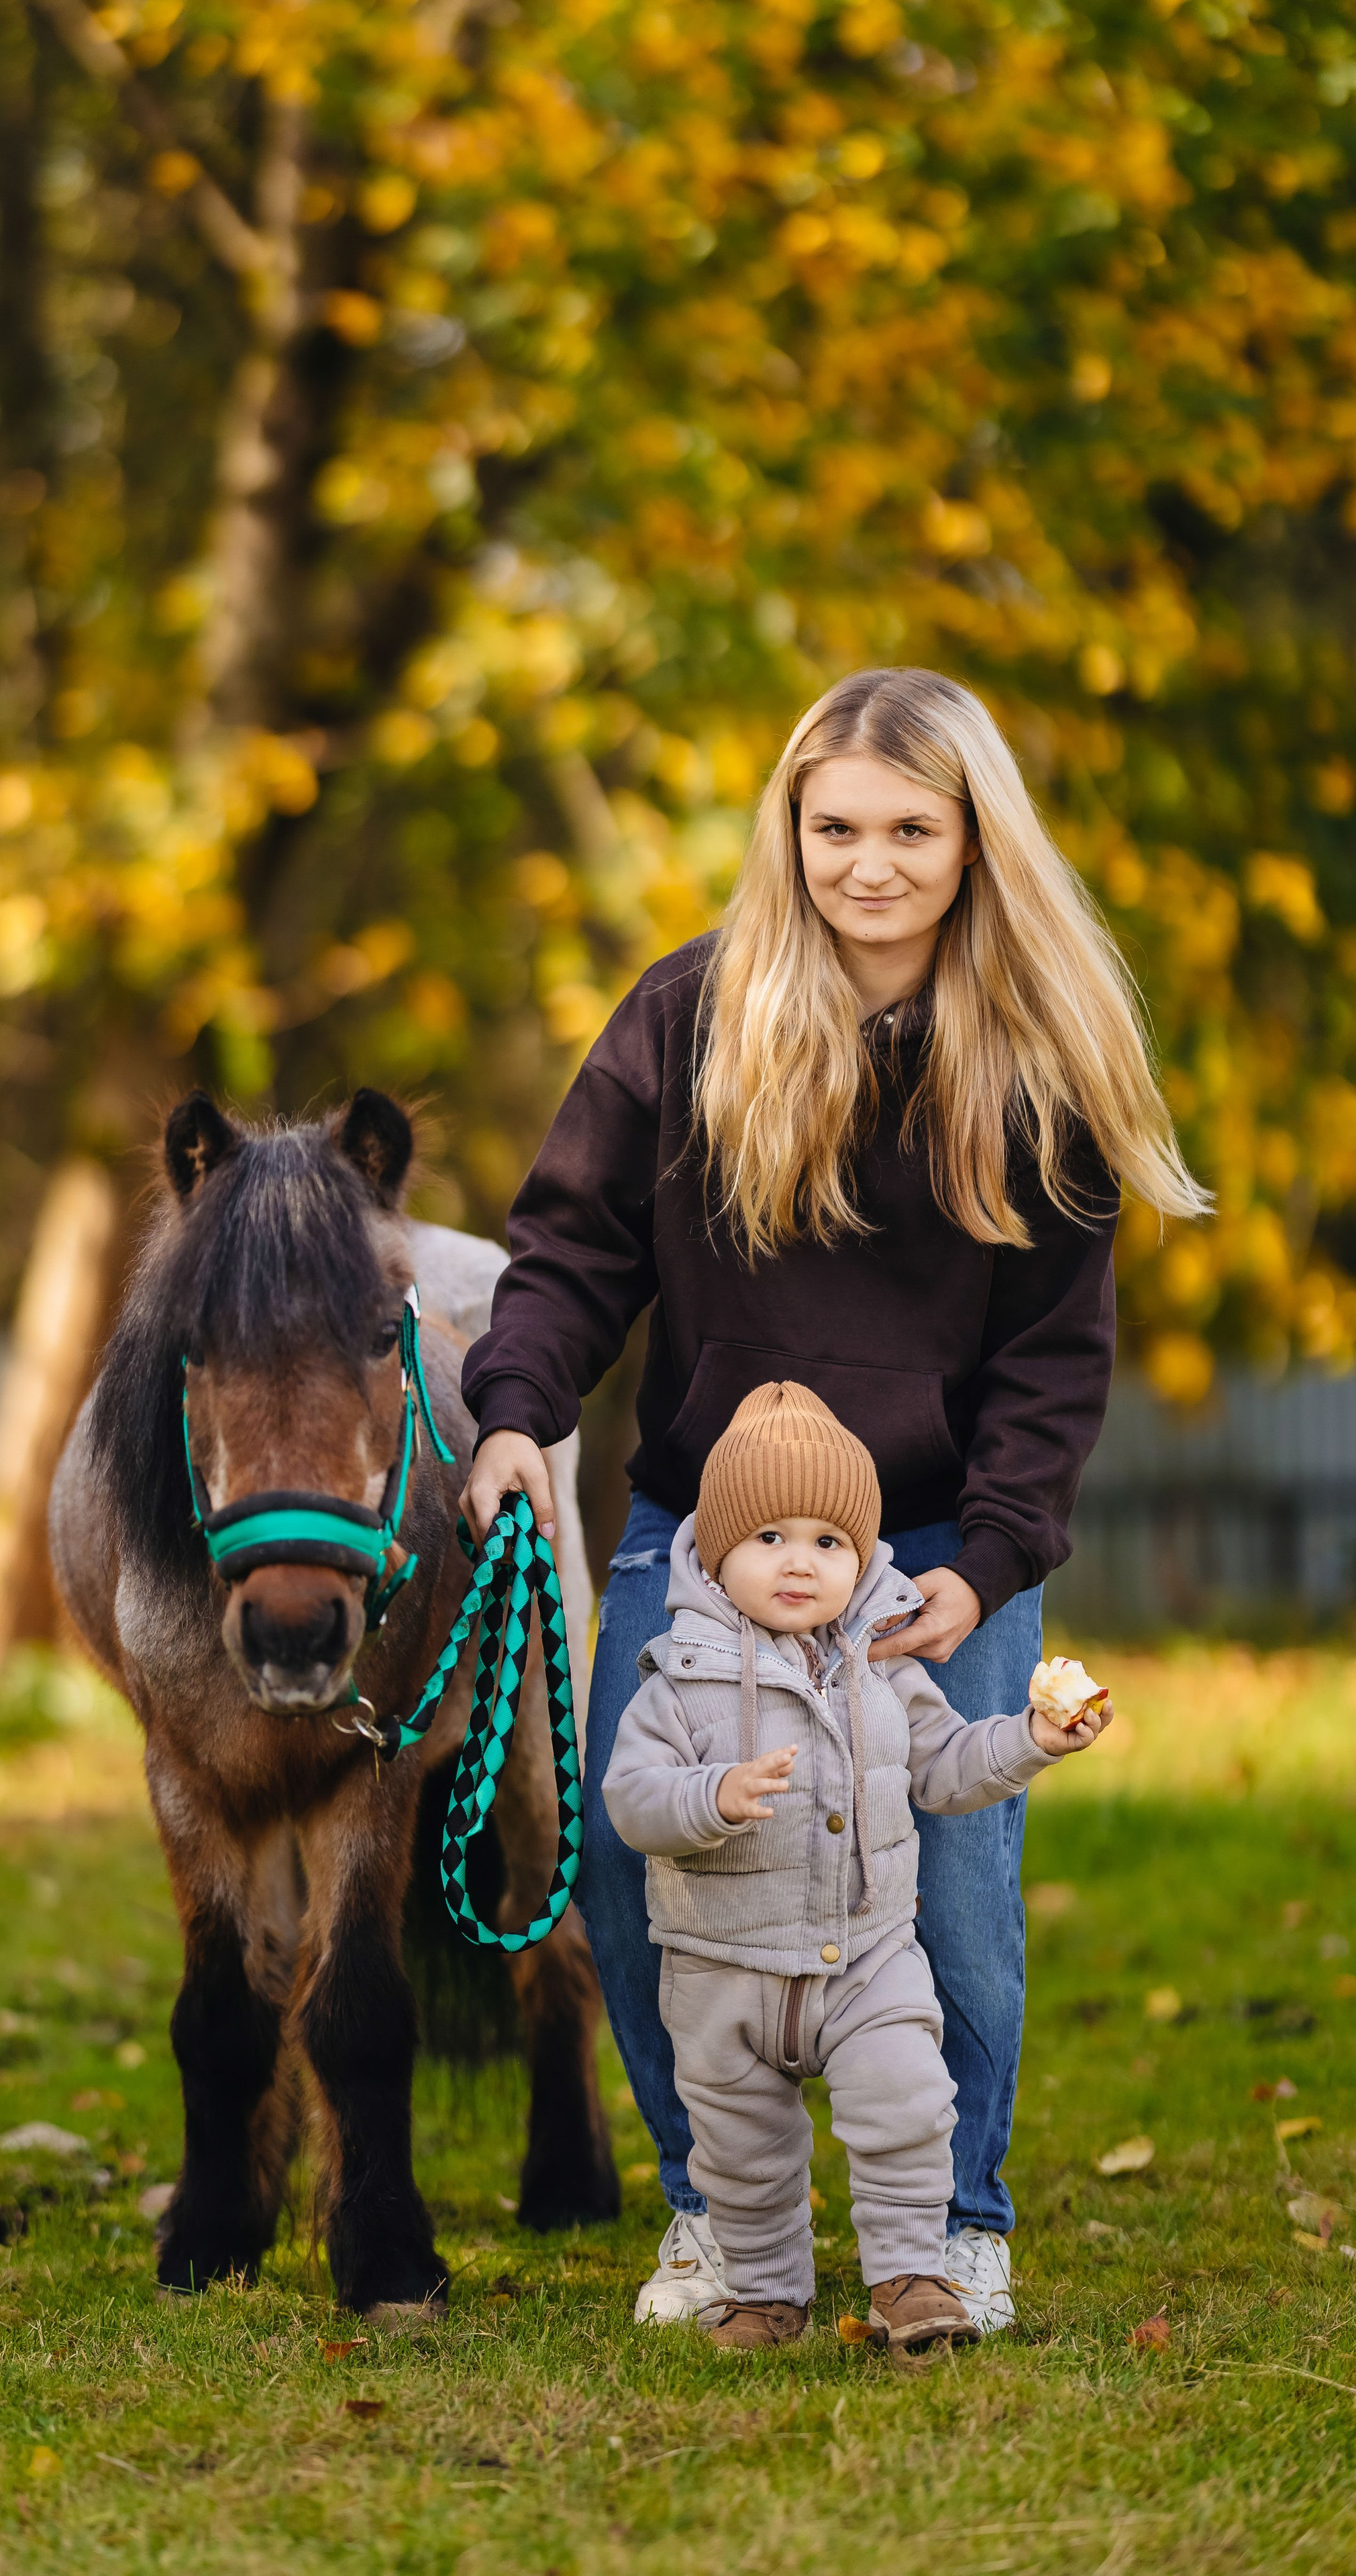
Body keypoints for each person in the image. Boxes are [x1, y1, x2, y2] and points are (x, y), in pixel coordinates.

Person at [460, 666, 1206, 2332]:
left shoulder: (1036, 1065)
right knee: (637, 1854)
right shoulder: (687, 1016)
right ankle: (717, 2216)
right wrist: (517, 1413)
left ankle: (951, 2219)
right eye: (832, 827)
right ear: (786, 831)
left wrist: (995, 1558)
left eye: (909, 831)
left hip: (935, 1540)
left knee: (946, 1875)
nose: (866, 865)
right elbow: (571, 1249)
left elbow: (1050, 1360)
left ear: (971, 842)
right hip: (698, 1533)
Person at [604, 1382, 1109, 2351]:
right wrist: (710, 1799)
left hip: (869, 1954)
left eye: (829, 1542)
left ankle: (913, 2280)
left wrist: (1035, 1739)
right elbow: (632, 1798)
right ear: (716, 1550)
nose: (801, 1562)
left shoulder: (883, 1669)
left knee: (908, 2107)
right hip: (724, 1969)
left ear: (864, 1558)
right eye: (770, 1539)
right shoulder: (675, 1675)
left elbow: (950, 1765)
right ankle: (765, 2294)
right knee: (743, 2150)